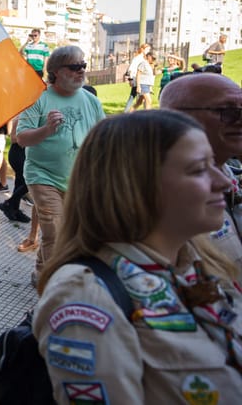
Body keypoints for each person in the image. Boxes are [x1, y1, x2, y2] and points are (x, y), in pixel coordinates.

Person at [33, 110, 242, 403]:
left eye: (216, 165)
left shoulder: (199, 263)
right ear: (134, 185)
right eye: (198, 169)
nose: (225, 182)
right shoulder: (85, 294)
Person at [16, 46, 105, 286]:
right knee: (55, 231)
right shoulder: (39, 98)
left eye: (83, 66)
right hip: (42, 175)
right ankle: (53, 283)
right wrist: (47, 129)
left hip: (79, 178)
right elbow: (21, 138)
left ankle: (42, 269)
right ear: (55, 71)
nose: (81, 71)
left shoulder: (91, 101)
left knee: (69, 232)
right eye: (74, 67)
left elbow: (102, 136)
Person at [160, 73, 242, 277]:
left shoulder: (230, 174)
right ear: (177, 117)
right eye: (228, 111)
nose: (240, 120)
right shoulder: (163, 197)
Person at [123, 43, 149, 112]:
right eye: (147, 49)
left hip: (140, 79)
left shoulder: (143, 58)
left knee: (133, 96)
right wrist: (130, 80)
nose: (148, 51)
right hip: (136, 79)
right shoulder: (138, 58)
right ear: (143, 49)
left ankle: (126, 112)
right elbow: (131, 69)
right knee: (142, 97)